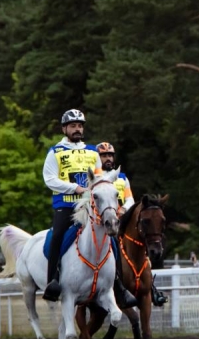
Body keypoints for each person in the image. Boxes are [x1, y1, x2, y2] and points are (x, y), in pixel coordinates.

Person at [41, 110, 136, 306]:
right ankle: (53, 281)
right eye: (73, 126)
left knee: (112, 237)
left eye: (80, 125)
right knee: (58, 234)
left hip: (91, 205)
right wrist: (75, 188)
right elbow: (50, 179)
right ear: (64, 128)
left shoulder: (93, 152)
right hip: (66, 205)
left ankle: (119, 286)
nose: (78, 129)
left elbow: (99, 176)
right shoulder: (55, 152)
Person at [97, 141, 166, 307]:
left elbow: (129, 199)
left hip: (121, 221)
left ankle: (151, 288)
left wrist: (123, 211)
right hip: (101, 223)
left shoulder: (122, 178)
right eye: (104, 155)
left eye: (110, 155)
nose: (108, 158)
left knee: (142, 245)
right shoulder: (94, 178)